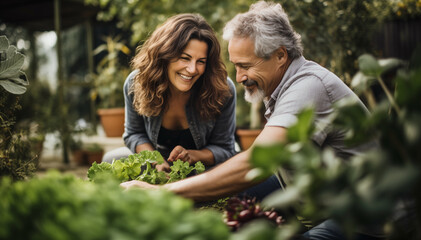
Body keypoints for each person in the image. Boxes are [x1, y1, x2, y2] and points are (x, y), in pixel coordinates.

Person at [120, 2, 383, 239]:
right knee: (207, 203)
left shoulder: (308, 87)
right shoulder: (282, 84)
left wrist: (161, 191)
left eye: (246, 66)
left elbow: (256, 161)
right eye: (236, 66)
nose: (240, 77)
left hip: (365, 217)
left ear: (280, 55)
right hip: (311, 193)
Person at [102, 13, 237, 172]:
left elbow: (224, 148)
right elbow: (134, 134)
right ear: (165, 54)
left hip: (201, 167)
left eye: (201, 61)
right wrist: (155, 160)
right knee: (111, 160)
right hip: (156, 162)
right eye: (185, 58)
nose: (192, 69)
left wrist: (192, 156)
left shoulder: (222, 89)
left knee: (235, 171)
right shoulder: (137, 83)